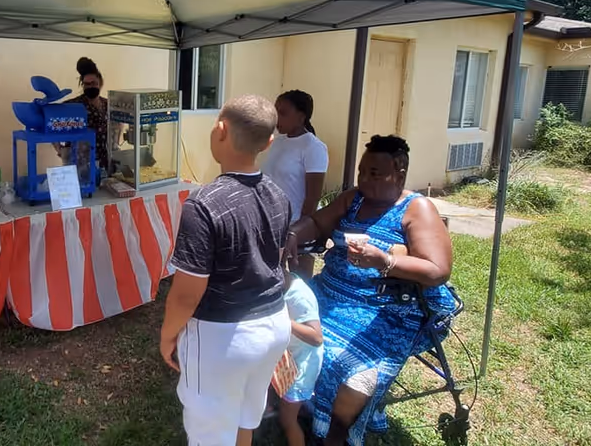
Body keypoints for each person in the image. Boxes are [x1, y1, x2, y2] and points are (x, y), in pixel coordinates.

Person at [282, 135, 457, 446]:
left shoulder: (417, 209)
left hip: (386, 308)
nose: (363, 178)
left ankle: (337, 432)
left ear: (399, 174)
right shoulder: (354, 199)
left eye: (373, 173)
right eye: (362, 171)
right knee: (277, 324)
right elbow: (318, 223)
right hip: (332, 293)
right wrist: (295, 232)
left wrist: (384, 260)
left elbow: (437, 271)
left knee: (352, 369)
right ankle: (293, 402)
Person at [160, 94, 293, 446]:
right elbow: (276, 260)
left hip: (224, 337)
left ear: (219, 131)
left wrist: (168, 336)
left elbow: (188, 293)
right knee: (244, 420)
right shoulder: (279, 195)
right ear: (268, 142)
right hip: (274, 326)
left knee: (209, 434)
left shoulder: (203, 204)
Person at [262, 90, 329, 274]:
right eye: (275, 112)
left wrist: (299, 231)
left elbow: (312, 198)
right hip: (271, 222)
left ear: (301, 117)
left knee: (298, 279)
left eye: (283, 113)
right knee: (274, 277)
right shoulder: (277, 142)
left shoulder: (313, 147)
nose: (277, 118)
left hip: (294, 226)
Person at [278, 266, 324, 446]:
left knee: (287, 421)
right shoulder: (283, 283)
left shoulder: (300, 296)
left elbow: (316, 337)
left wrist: (283, 321)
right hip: (289, 359)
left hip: (302, 368)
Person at [58, 57, 110, 182]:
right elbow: (52, 123)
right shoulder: (73, 105)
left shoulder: (108, 104)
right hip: (80, 165)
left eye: (94, 83)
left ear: (100, 83)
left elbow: (118, 123)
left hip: (105, 164)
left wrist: (115, 143)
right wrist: (61, 150)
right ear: (82, 85)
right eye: (87, 84)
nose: (90, 87)